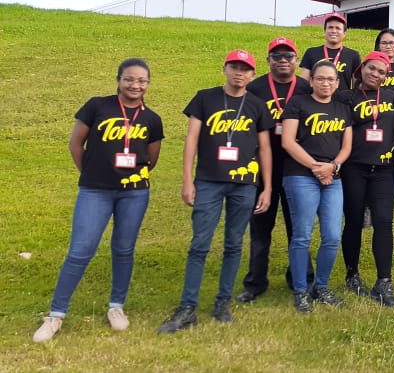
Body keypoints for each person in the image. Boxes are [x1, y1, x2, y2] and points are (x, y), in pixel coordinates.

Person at [33, 59, 165, 343]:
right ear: (118, 80)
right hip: (95, 191)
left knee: (124, 249)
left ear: (148, 84)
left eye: (142, 80)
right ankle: (56, 315)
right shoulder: (97, 106)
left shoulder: (152, 119)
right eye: (129, 79)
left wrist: (130, 177)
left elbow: (151, 159)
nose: (135, 85)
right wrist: (91, 173)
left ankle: (116, 306)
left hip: (135, 193)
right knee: (80, 250)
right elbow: (75, 144)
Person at [159, 49, 273, 334]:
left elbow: (264, 148)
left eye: (245, 69)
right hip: (209, 181)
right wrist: (187, 180)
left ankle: (223, 302)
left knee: (234, 244)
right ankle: (187, 307)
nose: (239, 73)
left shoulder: (257, 105)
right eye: (234, 67)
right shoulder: (205, 98)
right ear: (224, 69)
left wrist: (267, 187)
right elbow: (191, 139)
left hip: (245, 183)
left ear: (252, 74)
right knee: (200, 244)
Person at [236, 37, 314, 304]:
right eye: (277, 56)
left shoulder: (305, 88)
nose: (283, 60)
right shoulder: (255, 89)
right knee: (260, 230)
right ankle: (255, 283)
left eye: (288, 56)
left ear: (296, 60)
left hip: (297, 168)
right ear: (268, 60)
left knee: (298, 228)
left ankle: (302, 280)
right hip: (262, 168)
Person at [280, 60, 353, 313]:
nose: (325, 83)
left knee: (332, 236)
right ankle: (301, 290)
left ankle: (321, 287)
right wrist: (316, 167)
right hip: (301, 176)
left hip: (333, 178)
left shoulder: (342, 109)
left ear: (337, 82)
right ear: (311, 81)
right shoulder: (298, 103)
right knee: (302, 235)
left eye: (330, 79)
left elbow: (347, 146)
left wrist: (332, 167)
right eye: (320, 78)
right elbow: (288, 142)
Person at [337, 51, 394, 307]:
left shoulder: (392, 97)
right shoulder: (346, 97)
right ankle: (352, 274)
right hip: (354, 168)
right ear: (361, 68)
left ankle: (383, 281)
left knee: (384, 222)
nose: (375, 74)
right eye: (371, 68)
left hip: (384, 169)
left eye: (381, 72)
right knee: (354, 222)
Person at [299, 13, 362, 91]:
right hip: (316, 98)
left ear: (344, 33)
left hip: (343, 98)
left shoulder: (353, 55)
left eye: (338, 28)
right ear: (325, 31)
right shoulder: (311, 53)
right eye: (330, 27)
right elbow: (303, 84)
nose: (334, 31)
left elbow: (357, 87)